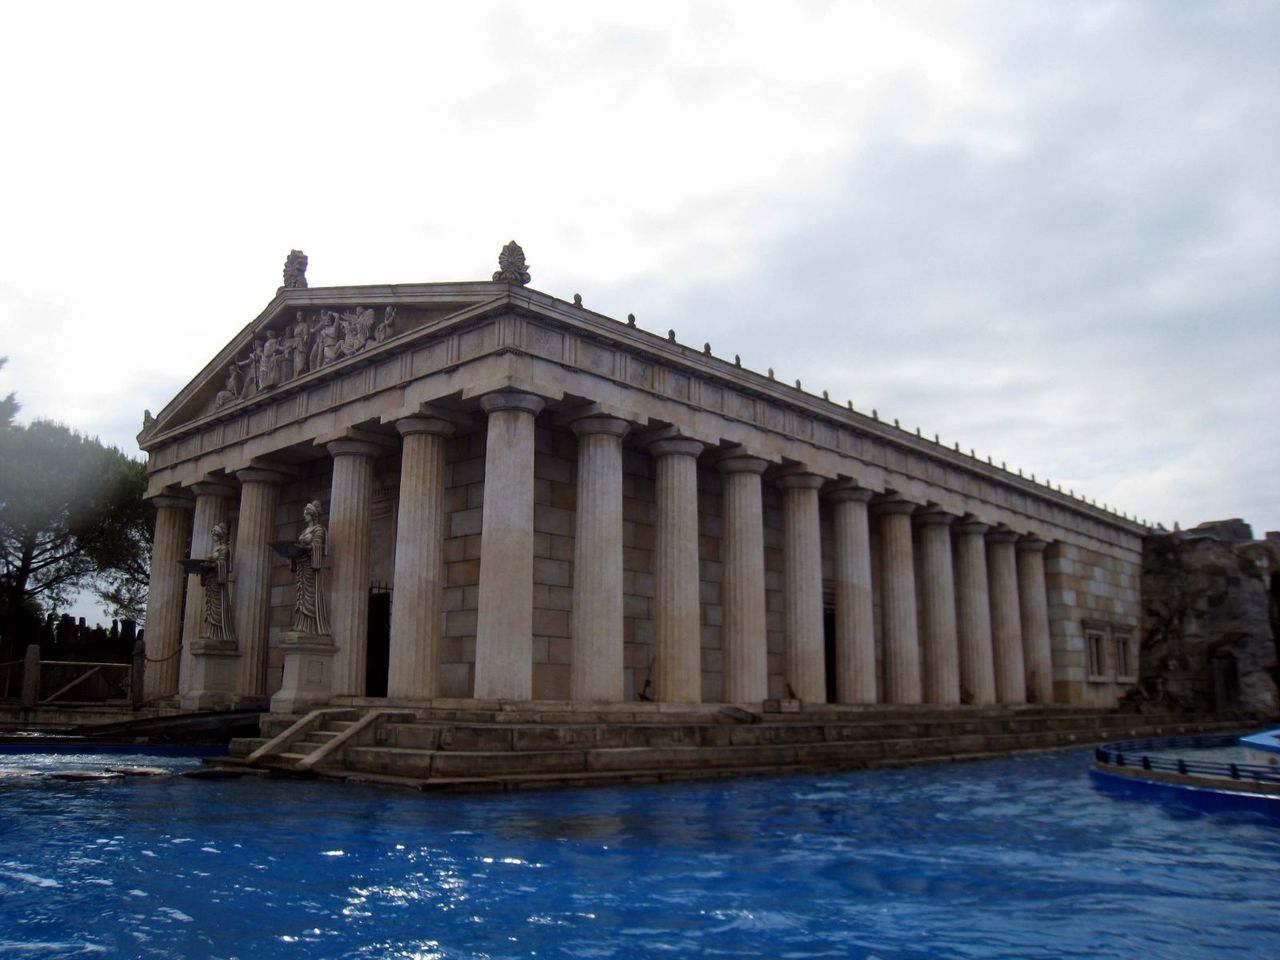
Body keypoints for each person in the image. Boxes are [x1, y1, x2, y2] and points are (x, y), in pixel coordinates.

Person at [292, 500, 329, 635]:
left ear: (312, 514)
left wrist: (305, 547)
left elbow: (318, 546)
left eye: (306, 513)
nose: (304, 515)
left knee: (311, 595)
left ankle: (312, 628)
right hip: (302, 565)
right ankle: (301, 625)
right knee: (301, 595)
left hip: (311, 565)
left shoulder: (319, 530)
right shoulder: (305, 531)